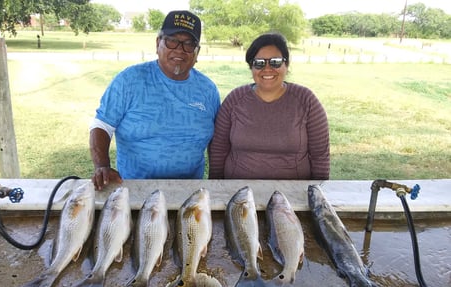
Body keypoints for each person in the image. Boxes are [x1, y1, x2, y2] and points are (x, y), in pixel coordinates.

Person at [89, 10, 220, 190]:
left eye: (189, 44)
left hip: (189, 192)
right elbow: (102, 125)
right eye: (172, 41)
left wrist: (217, 179)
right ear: (158, 43)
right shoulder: (129, 80)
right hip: (135, 191)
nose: (179, 50)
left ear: (197, 53)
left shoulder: (208, 90)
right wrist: (102, 165)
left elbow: (217, 141)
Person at [208, 33, 330, 180]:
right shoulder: (235, 99)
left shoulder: (306, 100)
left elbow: (320, 155)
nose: (267, 68)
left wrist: (317, 190)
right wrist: (217, 187)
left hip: (292, 194)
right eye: (259, 62)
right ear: (251, 67)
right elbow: (218, 150)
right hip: (238, 192)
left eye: (275, 62)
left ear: (286, 65)